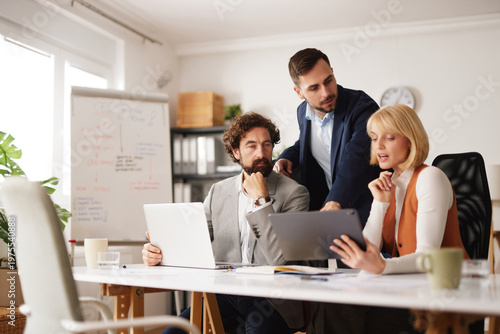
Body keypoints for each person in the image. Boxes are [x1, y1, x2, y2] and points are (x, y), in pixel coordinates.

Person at [142, 112, 310, 334]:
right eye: (251, 146)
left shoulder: (295, 194)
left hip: (271, 301)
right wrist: (157, 250)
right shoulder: (218, 191)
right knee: (172, 332)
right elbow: (192, 241)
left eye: (266, 145)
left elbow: (284, 261)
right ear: (236, 152)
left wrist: (262, 201)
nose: (261, 153)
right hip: (225, 295)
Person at [308, 104, 469, 334]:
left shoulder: (430, 178)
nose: (379, 145)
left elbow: (428, 258)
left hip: (440, 297)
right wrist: (380, 203)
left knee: (339, 310)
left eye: (390, 137)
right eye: (374, 138)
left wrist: (383, 266)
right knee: (333, 304)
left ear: (411, 141)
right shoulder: (390, 184)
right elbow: (368, 250)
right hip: (406, 293)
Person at [274, 48, 380, 225]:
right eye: (314, 88)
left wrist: (335, 201)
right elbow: (307, 142)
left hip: (369, 211)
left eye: (328, 81)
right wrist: (288, 156)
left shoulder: (362, 107)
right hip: (327, 212)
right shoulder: (303, 112)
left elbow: (357, 156)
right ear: (299, 92)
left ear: (333, 73)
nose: (326, 93)